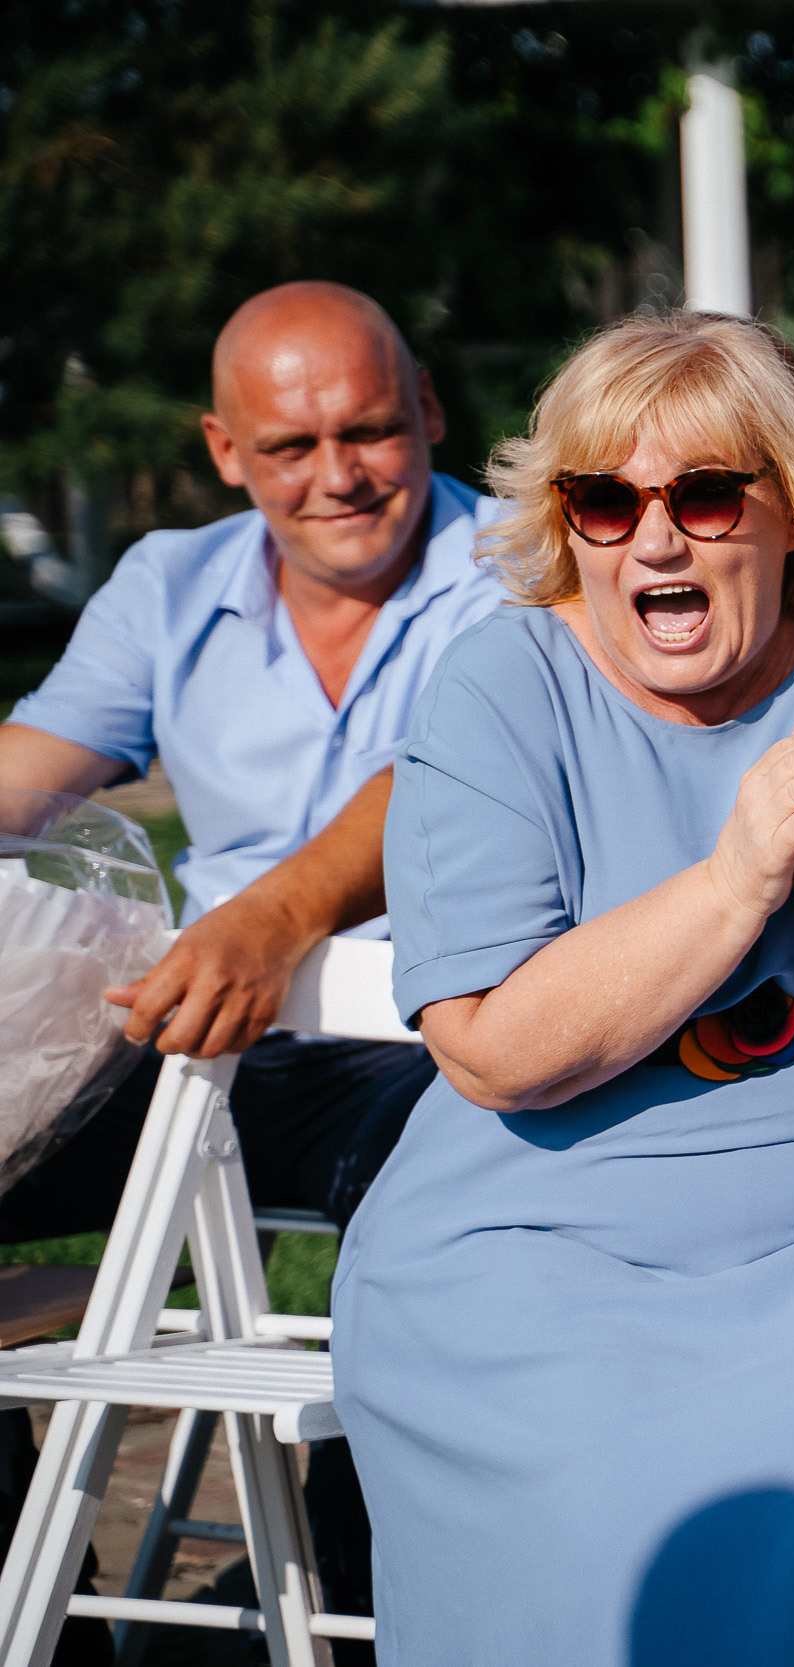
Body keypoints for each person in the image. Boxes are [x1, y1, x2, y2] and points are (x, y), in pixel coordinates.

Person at [331, 312, 794, 1664]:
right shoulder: (501, 682)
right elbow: (489, 1048)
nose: (653, 538)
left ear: (792, 510)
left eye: (706, 493)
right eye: (605, 500)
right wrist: (735, 880)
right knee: (578, 1449)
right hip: (528, 1212)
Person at [0, 281, 506, 1649]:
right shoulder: (169, 580)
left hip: (426, 1041)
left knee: (436, 1232)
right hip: (188, 1047)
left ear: (432, 416)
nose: (337, 475)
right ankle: (31, 1622)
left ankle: (371, 1613)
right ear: (225, 448)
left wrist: (278, 919)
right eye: (290, 447)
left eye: (372, 431)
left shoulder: (529, 564)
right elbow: (26, 776)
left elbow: (451, 780)